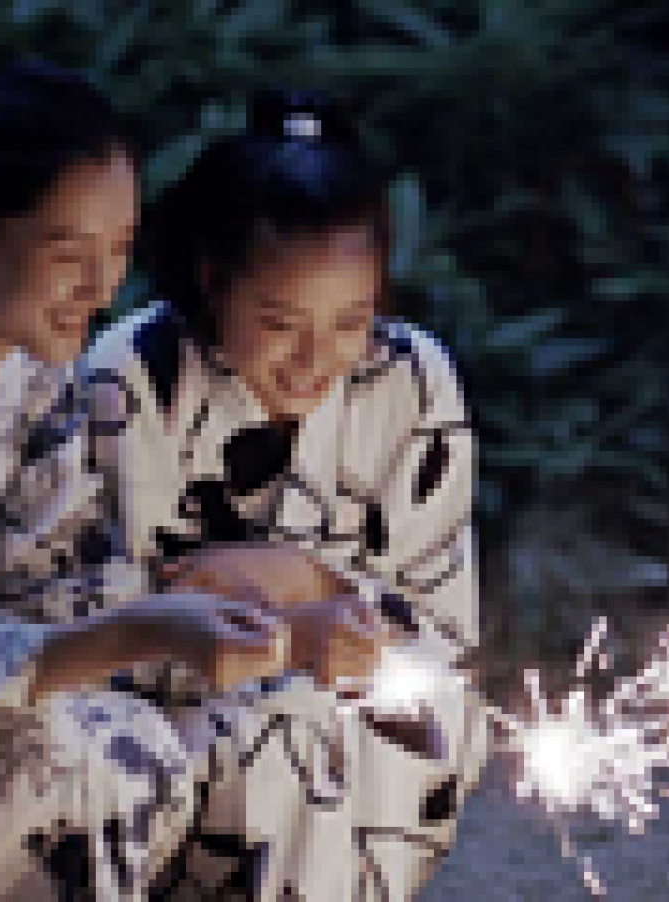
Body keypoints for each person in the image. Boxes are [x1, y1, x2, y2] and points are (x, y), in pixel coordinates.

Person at [0, 59, 288, 901]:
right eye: (70, 253)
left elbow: (51, 584)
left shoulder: (32, 368)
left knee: (205, 728)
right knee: (91, 755)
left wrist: (242, 615)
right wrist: (140, 633)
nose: (102, 288)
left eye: (120, 252)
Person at [81, 89, 489, 900]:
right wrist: (288, 642)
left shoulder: (412, 376)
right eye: (278, 320)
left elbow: (443, 625)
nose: (314, 358)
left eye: (350, 321)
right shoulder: (132, 376)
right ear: (213, 279)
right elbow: (107, 621)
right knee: (288, 729)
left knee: (412, 712)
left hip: (361, 693)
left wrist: (307, 579)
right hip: (178, 714)